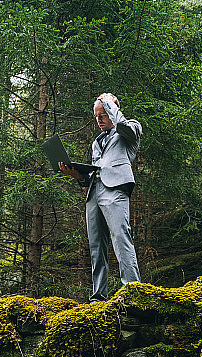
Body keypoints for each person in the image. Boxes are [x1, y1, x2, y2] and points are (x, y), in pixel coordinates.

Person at [59, 93, 142, 302]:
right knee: (96, 246)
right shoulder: (97, 143)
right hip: (94, 192)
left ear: (113, 111)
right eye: (96, 116)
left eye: (103, 115)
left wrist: (109, 104)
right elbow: (94, 173)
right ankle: (98, 296)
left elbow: (123, 127)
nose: (99, 120)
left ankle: (133, 290)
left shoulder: (131, 128)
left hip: (116, 190)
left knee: (120, 237)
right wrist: (77, 175)